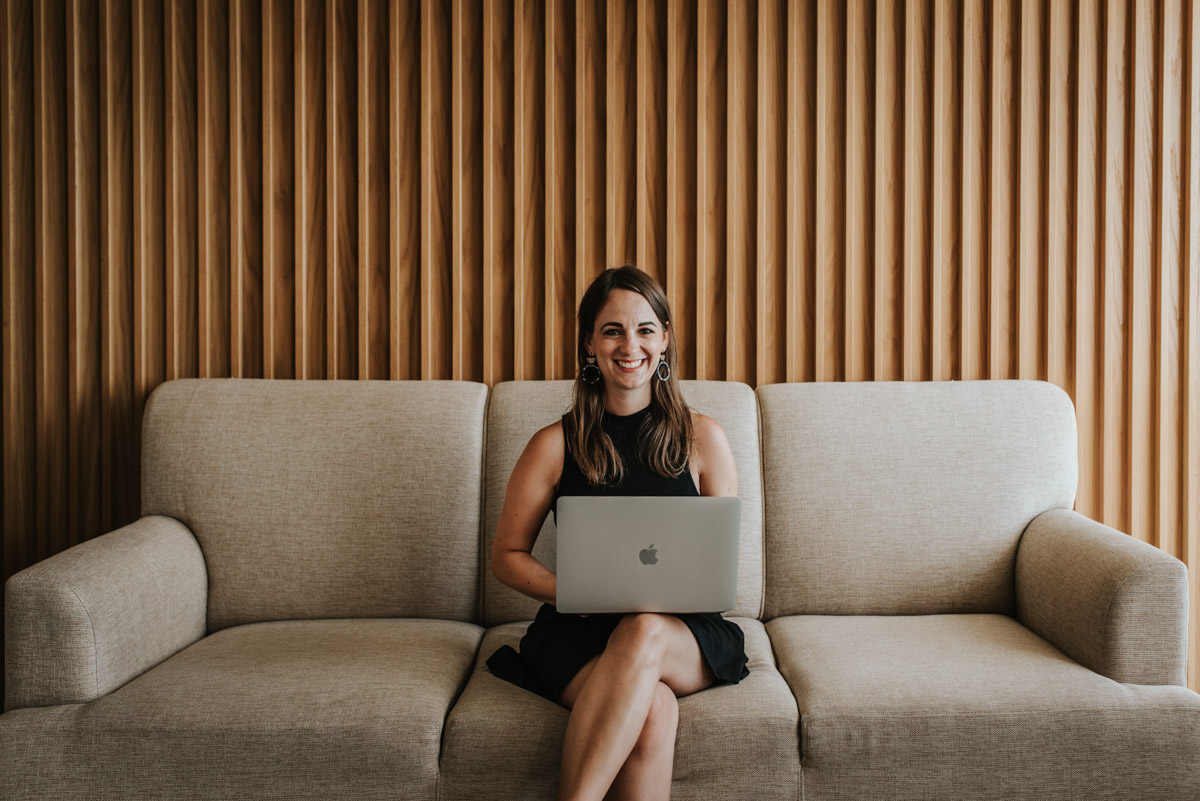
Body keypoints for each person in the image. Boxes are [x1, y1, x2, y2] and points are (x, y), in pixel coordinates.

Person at [487, 266, 749, 801]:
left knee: (645, 627)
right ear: (590, 341)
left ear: (665, 338)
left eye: (645, 329)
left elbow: (719, 560)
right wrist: (574, 592)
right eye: (612, 330)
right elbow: (507, 556)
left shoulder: (705, 437)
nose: (630, 345)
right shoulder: (553, 445)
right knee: (653, 710)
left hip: (682, 634)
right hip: (578, 634)